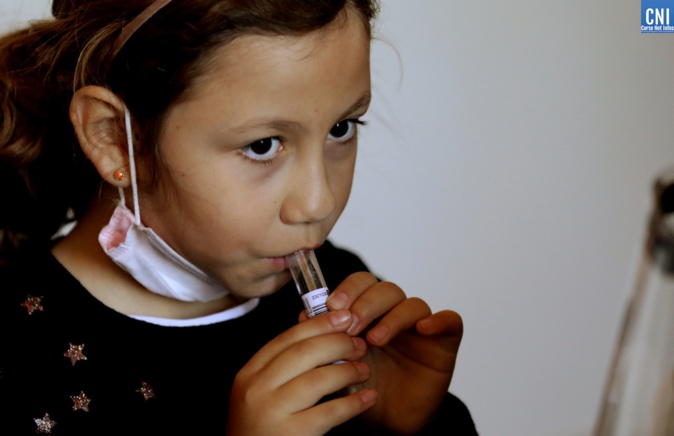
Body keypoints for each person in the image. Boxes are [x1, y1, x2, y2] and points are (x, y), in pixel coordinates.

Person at [0, 0, 478, 434]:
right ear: (112, 137)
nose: (319, 202)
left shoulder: (337, 288)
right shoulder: (19, 357)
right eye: (262, 145)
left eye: (340, 128)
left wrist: (412, 427)